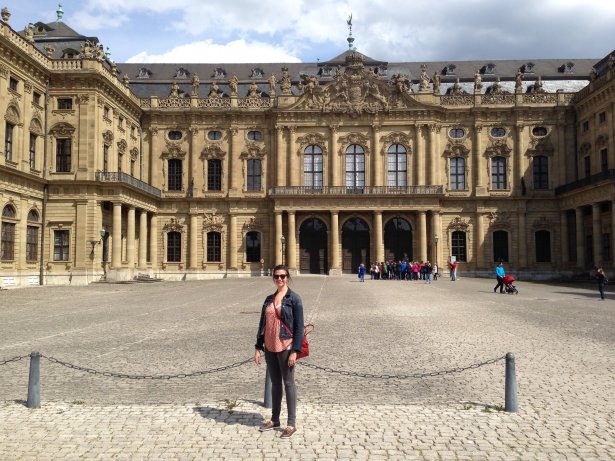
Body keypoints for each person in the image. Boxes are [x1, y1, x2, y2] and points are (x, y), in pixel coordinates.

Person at [254, 265, 304, 439]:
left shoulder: (294, 299)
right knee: (276, 384)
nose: (280, 279)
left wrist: (294, 350)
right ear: (273, 278)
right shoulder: (269, 300)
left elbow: (299, 327)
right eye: (276, 276)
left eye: (282, 276)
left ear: (288, 277)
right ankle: (275, 419)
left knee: (288, 383)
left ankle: (291, 423)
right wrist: (258, 347)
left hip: (286, 345)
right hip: (270, 346)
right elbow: (263, 324)